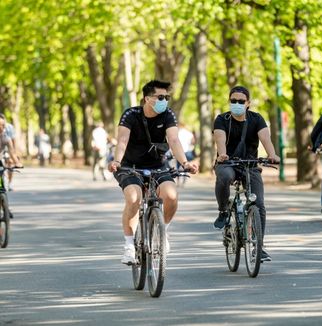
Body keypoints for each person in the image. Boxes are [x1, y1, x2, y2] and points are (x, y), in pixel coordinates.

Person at [108, 80, 198, 265]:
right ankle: (129, 246)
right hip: (129, 166)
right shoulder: (130, 114)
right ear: (147, 99)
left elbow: (173, 140)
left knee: (171, 196)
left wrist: (185, 163)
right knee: (134, 198)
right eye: (160, 97)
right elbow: (122, 140)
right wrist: (117, 161)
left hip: (158, 166)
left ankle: (163, 231)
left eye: (167, 97)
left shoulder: (168, 115)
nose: (164, 100)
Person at [213, 85, 279, 262]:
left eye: (241, 101)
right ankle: (223, 211)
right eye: (233, 101)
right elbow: (219, 138)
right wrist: (222, 154)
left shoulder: (257, 119)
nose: (237, 104)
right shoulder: (222, 119)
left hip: (250, 164)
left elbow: (266, 139)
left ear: (248, 103)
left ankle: (259, 246)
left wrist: (272, 155)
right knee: (225, 177)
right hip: (227, 162)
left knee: (259, 203)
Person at [0, 114, 18, 191]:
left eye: (3, 124)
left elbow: (13, 141)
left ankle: (9, 183)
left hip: (8, 148)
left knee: (10, 164)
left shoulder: (10, 127)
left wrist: (15, 154)